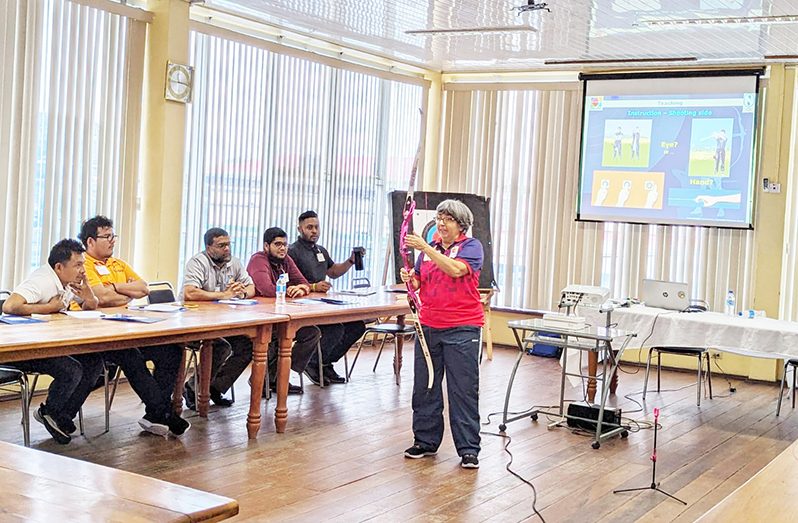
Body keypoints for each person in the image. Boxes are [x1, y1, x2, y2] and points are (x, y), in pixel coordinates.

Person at [79, 215, 189, 437]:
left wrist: (115, 288)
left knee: (172, 351)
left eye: (113, 236)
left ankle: (155, 414)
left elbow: (143, 288)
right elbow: (100, 296)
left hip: (127, 329)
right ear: (90, 241)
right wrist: (122, 293)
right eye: (106, 236)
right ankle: (162, 412)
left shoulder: (118, 263)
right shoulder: (82, 264)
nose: (112, 241)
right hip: (99, 336)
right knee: (130, 356)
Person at [399, 199, 484, 469]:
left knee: (463, 390)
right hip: (429, 326)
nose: (441, 223)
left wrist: (425, 247)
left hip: (463, 328)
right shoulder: (429, 252)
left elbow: (455, 269)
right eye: (438, 218)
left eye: (447, 219)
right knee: (426, 387)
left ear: (461, 224)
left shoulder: (471, 247)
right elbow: (420, 280)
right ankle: (424, 441)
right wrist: (410, 278)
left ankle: (469, 449)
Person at [1, 239, 104, 444]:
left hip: (49, 345)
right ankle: (50, 412)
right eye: (77, 265)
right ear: (59, 267)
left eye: (83, 264)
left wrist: (88, 292)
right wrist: (48, 308)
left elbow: (91, 305)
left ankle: (60, 416)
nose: (82, 270)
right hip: (24, 348)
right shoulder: (42, 281)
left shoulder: (68, 282)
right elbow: (10, 306)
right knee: (72, 370)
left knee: (94, 363)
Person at [288, 210, 366, 386]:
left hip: (325, 305)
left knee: (356, 326)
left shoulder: (320, 250)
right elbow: (288, 282)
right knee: (335, 330)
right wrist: (313, 286)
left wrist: (351, 261)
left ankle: (325, 362)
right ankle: (312, 363)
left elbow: (333, 272)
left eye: (316, 227)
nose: (314, 231)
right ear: (300, 229)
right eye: (309, 227)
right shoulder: (292, 251)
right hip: (303, 307)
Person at [181, 227, 255, 410]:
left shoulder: (234, 263)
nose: (227, 249)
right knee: (220, 345)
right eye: (222, 246)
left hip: (223, 321)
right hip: (194, 322)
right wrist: (223, 295)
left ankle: (215, 387)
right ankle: (192, 388)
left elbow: (252, 287)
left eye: (229, 244)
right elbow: (189, 293)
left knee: (248, 345)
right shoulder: (197, 263)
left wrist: (241, 293)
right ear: (208, 247)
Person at [247, 227, 321, 395]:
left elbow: (304, 283)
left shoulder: (286, 260)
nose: (282, 248)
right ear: (266, 246)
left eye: (285, 245)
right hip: (262, 317)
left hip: (283, 315)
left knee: (312, 333)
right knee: (276, 340)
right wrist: (290, 290)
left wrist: (301, 289)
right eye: (277, 244)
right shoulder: (258, 260)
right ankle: (264, 379)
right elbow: (266, 289)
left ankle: (279, 377)